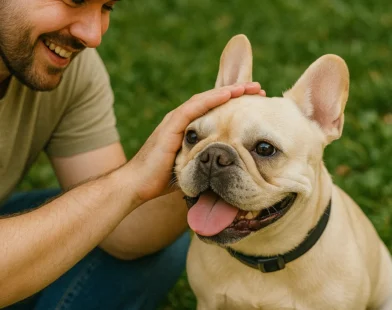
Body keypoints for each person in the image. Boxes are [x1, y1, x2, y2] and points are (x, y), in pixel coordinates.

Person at [0, 0, 265, 309]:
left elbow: (125, 234)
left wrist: (197, 161)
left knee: (161, 244)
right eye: (73, 1)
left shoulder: (71, 69)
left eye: (107, 7)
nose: (93, 35)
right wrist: (127, 181)